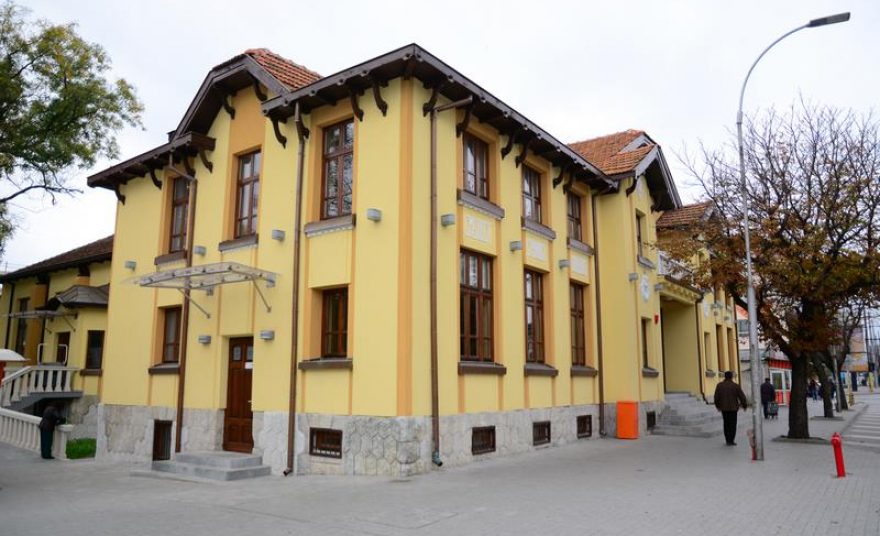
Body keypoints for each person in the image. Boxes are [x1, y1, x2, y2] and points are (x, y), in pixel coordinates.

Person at [714, 371, 748, 446]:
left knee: (726, 424)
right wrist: (744, 406)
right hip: (733, 409)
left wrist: (718, 406)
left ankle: (727, 440)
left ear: (724, 377)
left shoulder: (719, 385)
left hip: (724, 408)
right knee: (732, 424)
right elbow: (742, 397)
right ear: (732, 377)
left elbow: (716, 397)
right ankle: (731, 440)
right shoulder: (735, 386)